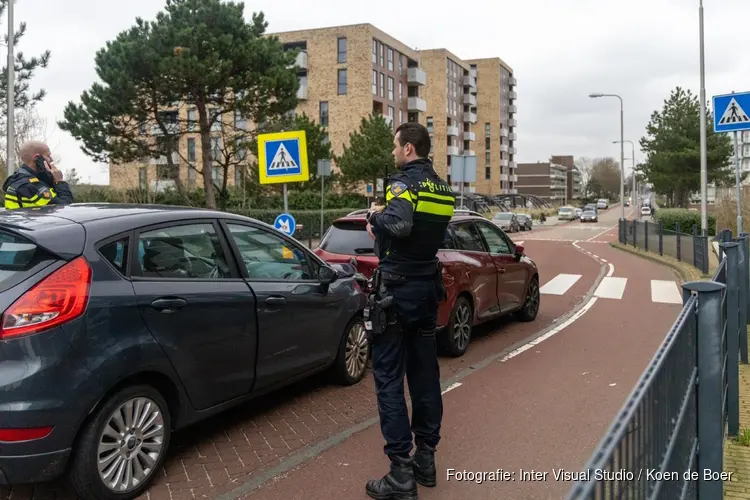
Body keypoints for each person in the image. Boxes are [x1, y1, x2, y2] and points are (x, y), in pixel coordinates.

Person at [364, 122, 455, 500]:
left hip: (396, 291)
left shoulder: (403, 183)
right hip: (426, 291)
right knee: (425, 375)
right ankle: (426, 459)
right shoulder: (443, 188)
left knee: (388, 378)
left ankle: (400, 471)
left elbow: (399, 224)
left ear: (408, 149)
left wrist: (374, 218)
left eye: (395, 146)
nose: (393, 152)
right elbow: (436, 235)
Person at [3, 141, 74, 209]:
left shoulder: (20, 179)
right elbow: (64, 208)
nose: (51, 159)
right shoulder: (29, 186)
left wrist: (49, 177)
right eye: (48, 156)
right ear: (36, 158)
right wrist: (59, 181)